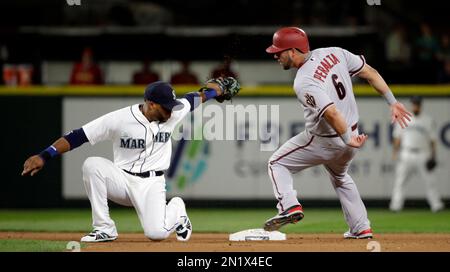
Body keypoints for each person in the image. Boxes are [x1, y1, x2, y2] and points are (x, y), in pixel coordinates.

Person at [21, 78, 239, 242]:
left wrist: (216, 89)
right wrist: (44, 155)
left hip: (152, 184)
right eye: (166, 106)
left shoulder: (174, 110)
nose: (172, 110)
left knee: (156, 234)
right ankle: (104, 228)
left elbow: (196, 97)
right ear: (151, 104)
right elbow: (78, 136)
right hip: (122, 180)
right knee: (92, 164)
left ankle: (177, 208)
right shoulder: (120, 119)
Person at [264, 27, 412, 239]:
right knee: (340, 177)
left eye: (279, 51)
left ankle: (289, 206)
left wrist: (346, 139)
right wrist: (393, 102)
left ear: (294, 50)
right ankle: (361, 227)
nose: (276, 55)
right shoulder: (335, 52)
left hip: (328, 140)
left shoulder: (304, 81)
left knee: (276, 163)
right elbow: (371, 73)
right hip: (350, 137)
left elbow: (331, 113)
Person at [390, 96, 444, 213]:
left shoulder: (427, 120)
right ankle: (395, 206)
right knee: (400, 182)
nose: (416, 106)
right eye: (414, 104)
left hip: (423, 154)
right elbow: (397, 138)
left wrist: (433, 156)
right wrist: (395, 152)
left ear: (421, 105)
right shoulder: (404, 118)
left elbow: (433, 140)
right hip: (406, 153)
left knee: (430, 182)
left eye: (417, 104)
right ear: (411, 104)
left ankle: (436, 205)